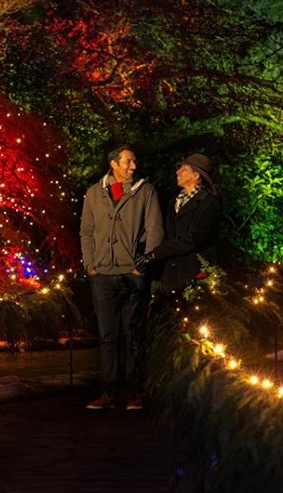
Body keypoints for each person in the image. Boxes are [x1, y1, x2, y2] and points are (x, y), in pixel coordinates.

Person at [80, 145, 164, 410]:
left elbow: (154, 230)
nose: (133, 166)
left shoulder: (145, 191)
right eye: (128, 161)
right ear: (114, 164)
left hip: (132, 274)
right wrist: (91, 265)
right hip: (102, 274)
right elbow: (87, 231)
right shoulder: (94, 193)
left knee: (133, 333)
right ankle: (108, 392)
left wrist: (143, 265)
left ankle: (135, 392)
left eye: (134, 161)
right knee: (107, 336)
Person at [135, 153, 220, 292]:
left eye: (184, 169)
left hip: (197, 273)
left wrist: (155, 253)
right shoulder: (173, 202)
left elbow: (192, 238)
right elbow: (168, 236)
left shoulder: (209, 202)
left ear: (196, 175)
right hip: (172, 274)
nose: (177, 171)